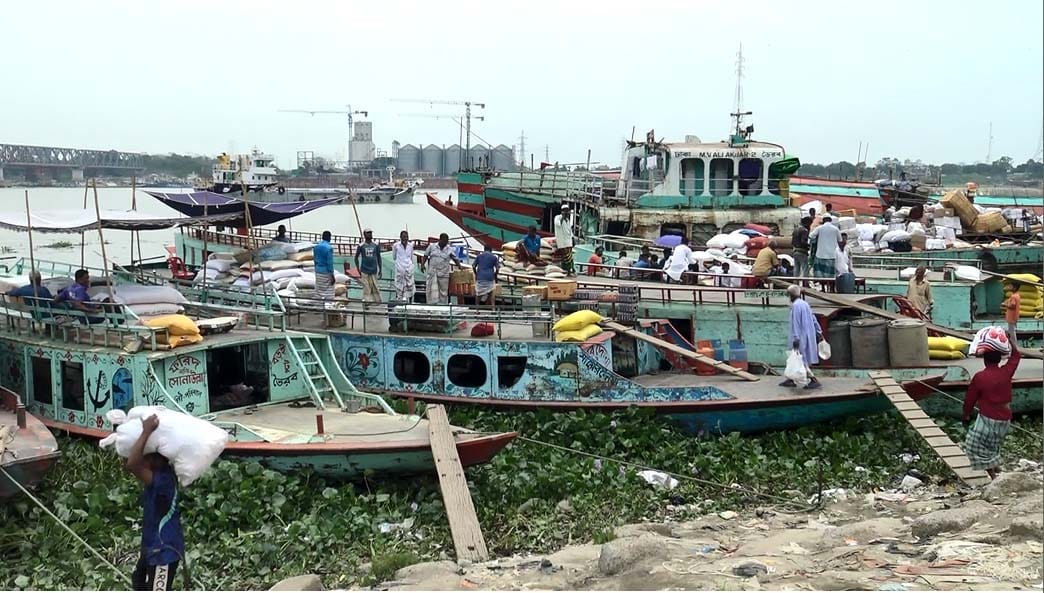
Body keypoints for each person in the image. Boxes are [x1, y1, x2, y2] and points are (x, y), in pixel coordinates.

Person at [126, 414, 184, 591]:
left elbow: (132, 465)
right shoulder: (158, 474)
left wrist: (146, 432)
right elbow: (130, 462)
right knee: (139, 582)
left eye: (148, 458)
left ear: (158, 459)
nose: (144, 461)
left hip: (163, 553)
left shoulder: (163, 481)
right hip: (152, 547)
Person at [963, 329, 1021, 479]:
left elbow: (970, 399)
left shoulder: (980, 377)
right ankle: (996, 468)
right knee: (992, 444)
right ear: (999, 358)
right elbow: (1016, 356)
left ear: (985, 359)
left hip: (989, 417)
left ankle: (993, 475)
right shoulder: (1006, 372)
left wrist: (966, 414)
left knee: (973, 444)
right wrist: (1010, 340)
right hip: (1005, 419)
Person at [782, 285, 823, 390]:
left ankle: (813, 379)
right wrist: (819, 331)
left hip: (800, 337)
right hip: (808, 335)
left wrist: (796, 338)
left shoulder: (795, 306)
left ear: (790, 295)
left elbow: (796, 323)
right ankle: (791, 378)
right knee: (795, 357)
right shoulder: (805, 304)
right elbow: (813, 319)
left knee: (800, 358)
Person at [421, 233, 460, 304]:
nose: (445, 243)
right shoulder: (432, 246)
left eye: (446, 241)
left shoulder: (449, 249)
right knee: (430, 290)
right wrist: (422, 265)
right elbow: (425, 255)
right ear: (440, 240)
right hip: (433, 272)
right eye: (444, 241)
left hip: (443, 273)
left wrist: (460, 267)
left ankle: (443, 306)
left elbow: (455, 258)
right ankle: (430, 305)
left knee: (443, 291)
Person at [355, 228, 382, 303]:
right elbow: (356, 257)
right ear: (364, 234)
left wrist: (380, 269)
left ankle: (377, 301)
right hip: (364, 270)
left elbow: (379, 257)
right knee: (366, 288)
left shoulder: (375, 245)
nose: (370, 234)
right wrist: (358, 269)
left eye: (370, 233)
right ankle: (366, 302)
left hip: (373, 270)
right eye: (368, 233)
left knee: (375, 286)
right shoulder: (361, 246)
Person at [392, 231, 415, 304]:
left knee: (410, 287)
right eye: (404, 237)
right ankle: (400, 302)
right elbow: (394, 257)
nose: (405, 238)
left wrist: (410, 266)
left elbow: (411, 257)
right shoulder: (396, 245)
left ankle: (408, 303)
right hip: (400, 269)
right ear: (400, 237)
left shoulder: (410, 245)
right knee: (399, 287)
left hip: (408, 269)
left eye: (406, 237)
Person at [313, 231, 335, 305]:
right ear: (329, 238)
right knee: (328, 289)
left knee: (319, 288)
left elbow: (315, 259)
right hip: (326, 271)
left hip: (318, 270)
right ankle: (328, 304)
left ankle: (318, 303)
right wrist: (332, 275)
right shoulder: (329, 248)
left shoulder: (316, 247)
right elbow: (329, 263)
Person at [553, 206, 575, 275]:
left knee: (570, 257)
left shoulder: (567, 220)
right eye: (565, 211)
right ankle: (567, 271)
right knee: (566, 258)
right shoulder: (558, 217)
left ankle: (569, 270)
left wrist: (573, 238)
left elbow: (570, 230)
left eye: (567, 211)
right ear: (562, 211)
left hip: (568, 242)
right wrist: (563, 216)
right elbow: (558, 224)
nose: (567, 213)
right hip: (562, 242)